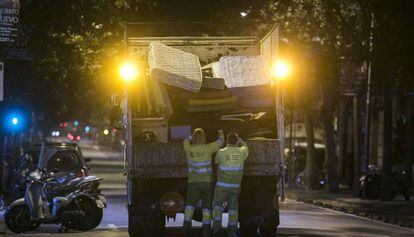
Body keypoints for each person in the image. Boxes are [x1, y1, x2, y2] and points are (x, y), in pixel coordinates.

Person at [182, 128, 224, 237]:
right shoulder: (209, 148)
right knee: (206, 207)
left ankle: (186, 229)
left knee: (190, 206)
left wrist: (193, 136)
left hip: (193, 182)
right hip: (207, 182)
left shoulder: (189, 148)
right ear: (204, 137)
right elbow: (221, 142)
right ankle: (206, 230)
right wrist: (220, 133)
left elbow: (185, 140)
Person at [212, 133, 249, 237]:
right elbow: (246, 147)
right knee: (233, 210)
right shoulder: (242, 152)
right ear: (236, 141)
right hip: (235, 188)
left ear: (227, 141)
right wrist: (241, 142)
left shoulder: (221, 152)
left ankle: (216, 230)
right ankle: (232, 232)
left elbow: (216, 161)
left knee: (217, 208)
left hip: (221, 187)